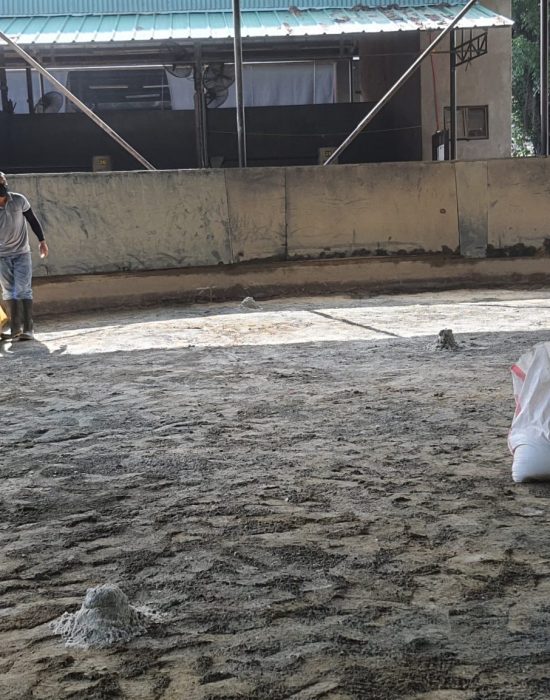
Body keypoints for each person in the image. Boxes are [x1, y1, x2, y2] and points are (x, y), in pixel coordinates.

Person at [0, 172, 48, 341]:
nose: (2, 201)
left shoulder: (19, 200)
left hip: (21, 253)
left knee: (23, 289)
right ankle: (14, 329)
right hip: (1, 257)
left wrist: (42, 240)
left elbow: (32, 220)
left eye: (3, 197)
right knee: (8, 291)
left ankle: (28, 328)